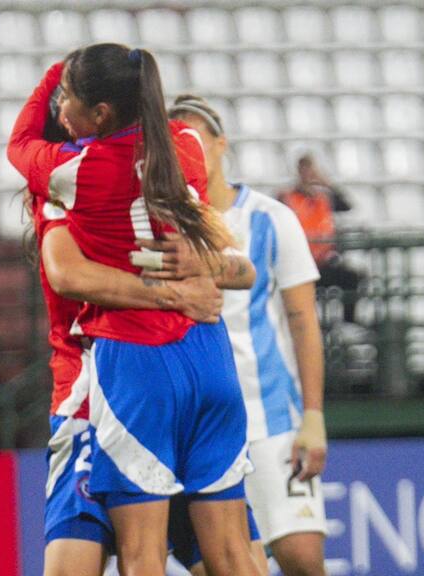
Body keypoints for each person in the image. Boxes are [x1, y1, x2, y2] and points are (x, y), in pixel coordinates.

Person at [9, 44, 263, 576]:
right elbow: (244, 270)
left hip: (130, 365)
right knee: (235, 553)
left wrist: (56, 68)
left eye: (68, 98)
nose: (60, 106)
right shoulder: (185, 147)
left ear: (98, 114)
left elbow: (66, 271)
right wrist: (199, 274)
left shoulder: (70, 174)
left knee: (140, 553)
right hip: (208, 350)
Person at [143, 95, 329, 576]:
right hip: (202, 421)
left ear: (221, 144)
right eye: (174, 143)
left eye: (195, 140)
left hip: (270, 417)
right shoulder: (159, 224)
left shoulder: (271, 218)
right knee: (231, 562)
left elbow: (303, 320)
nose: (186, 151)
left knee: (303, 559)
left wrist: (313, 416)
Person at [277, 154, 361, 324]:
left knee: (352, 277)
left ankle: (349, 323)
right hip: (298, 263)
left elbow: (347, 206)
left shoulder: (324, 197)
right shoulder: (287, 197)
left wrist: (328, 184)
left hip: (324, 262)